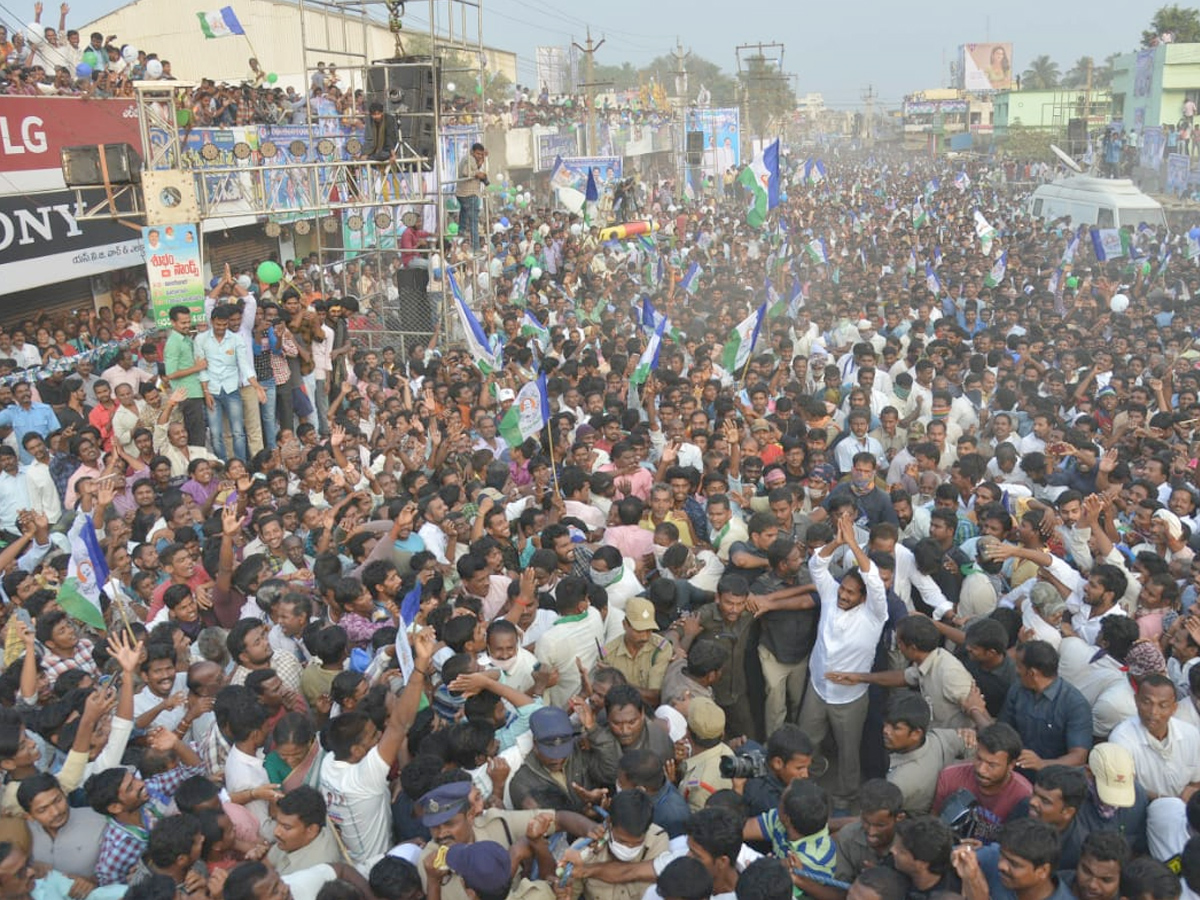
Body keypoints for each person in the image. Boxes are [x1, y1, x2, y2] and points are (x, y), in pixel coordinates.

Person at [799, 512, 888, 811]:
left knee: (849, 753)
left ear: (863, 598)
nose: (843, 595)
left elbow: (874, 581)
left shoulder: (874, 615)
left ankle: (846, 795)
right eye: (843, 589)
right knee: (806, 740)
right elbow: (816, 565)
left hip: (850, 698)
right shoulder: (829, 597)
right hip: (817, 687)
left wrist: (853, 543)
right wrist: (837, 542)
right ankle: (802, 782)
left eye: (851, 593)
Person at [456, 142, 487, 252]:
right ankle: (476, 248)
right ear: (473, 152)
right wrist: (478, 174)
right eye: (478, 154)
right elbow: (467, 172)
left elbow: (473, 168)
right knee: (474, 222)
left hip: (462, 193)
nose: (479, 156)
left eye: (481, 154)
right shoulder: (470, 158)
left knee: (464, 215)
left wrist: (481, 161)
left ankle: (461, 234)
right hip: (469, 193)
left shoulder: (469, 159)